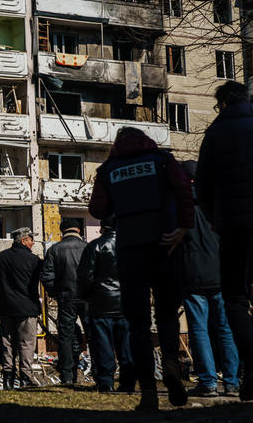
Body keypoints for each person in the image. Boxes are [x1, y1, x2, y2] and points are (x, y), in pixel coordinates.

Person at [89, 126, 194, 411]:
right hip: (165, 244)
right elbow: (185, 189)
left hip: (129, 248)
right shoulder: (162, 160)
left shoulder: (109, 168)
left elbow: (97, 209)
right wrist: (184, 226)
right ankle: (171, 362)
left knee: (137, 324)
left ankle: (148, 391)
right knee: (167, 314)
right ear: (145, 139)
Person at [196, 80, 253, 401]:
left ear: (224, 104)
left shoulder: (216, 134)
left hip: (233, 228)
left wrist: (216, 220)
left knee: (235, 299)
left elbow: (202, 188)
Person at [176, 160, 240, 397]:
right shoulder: (218, 202)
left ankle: (208, 382)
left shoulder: (178, 205)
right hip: (221, 272)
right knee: (226, 329)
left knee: (199, 330)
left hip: (192, 274)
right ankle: (233, 382)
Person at [77, 215, 136, 393]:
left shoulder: (95, 246)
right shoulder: (130, 246)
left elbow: (85, 277)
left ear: (103, 227)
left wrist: (86, 296)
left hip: (101, 302)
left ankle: (106, 382)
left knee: (103, 347)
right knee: (126, 347)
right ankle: (128, 382)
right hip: (126, 301)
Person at [0, 227, 42, 390]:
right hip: (27, 309)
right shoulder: (34, 260)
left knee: (8, 344)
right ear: (23, 240)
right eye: (31, 239)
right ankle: (26, 377)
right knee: (26, 343)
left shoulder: (0, 258)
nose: (33, 242)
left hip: (5, 309)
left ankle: (8, 380)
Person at [40, 219, 88, 385]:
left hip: (66, 298)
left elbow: (46, 276)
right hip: (88, 297)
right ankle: (101, 374)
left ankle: (67, 376)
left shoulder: (55, 249)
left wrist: (56, 292)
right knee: (94, 335)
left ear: (62, 231)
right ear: (79, 231)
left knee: (66, 337)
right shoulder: (88, 247)